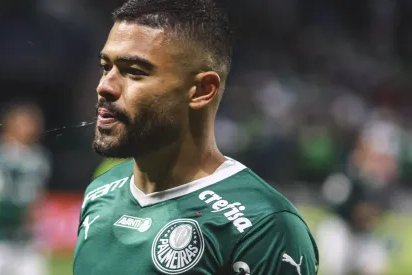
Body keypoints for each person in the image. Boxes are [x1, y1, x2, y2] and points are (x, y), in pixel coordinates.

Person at [73, 0, 319, 274]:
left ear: (202, 90)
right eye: (106, 67)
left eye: (134, 72)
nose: (104, 86)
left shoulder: (262, 226)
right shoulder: (101, 192)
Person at [0, 99, 51, 275]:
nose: (32, 128)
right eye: (26, 123)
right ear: (10, 124)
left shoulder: (39, 158)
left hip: (27, 243)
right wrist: (20, 210)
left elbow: (37, 195)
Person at [316, 110, 398, 275]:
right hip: (340, 230)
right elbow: (340, 205)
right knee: (337, 267)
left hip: (364, 235)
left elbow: (377, 214)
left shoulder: (382, 181)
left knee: (375, 266)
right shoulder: (346, 173)